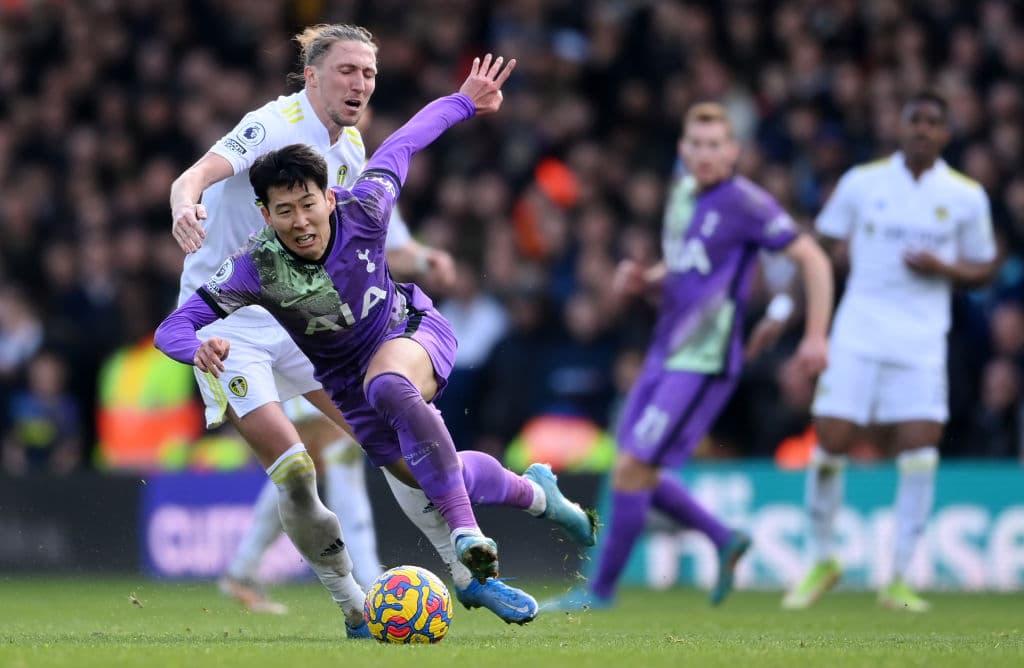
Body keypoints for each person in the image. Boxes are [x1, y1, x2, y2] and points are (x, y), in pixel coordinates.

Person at [156, 54, 597, 625]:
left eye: (368, 72)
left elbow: (410, 140)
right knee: (312, 474)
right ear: (312, 74)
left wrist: (466, 100)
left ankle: (468, 566)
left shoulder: (359, 181)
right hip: (244, 327)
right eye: (347, 70)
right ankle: (357, 604)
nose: (301, 220)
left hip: (394, 332)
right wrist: (185, 216)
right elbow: (175, 313)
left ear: (330, 197)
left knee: (392, 396)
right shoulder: (270, 147)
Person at [545, 102, 833, 611]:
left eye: (715, 145)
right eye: (696, 145)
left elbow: (812, 258)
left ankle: (601, 594)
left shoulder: (747, 202)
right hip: (664, 349)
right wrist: (646, 279)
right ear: (683, 150)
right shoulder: (680, 195)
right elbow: (685, 265)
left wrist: (815, 336)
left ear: (733, 151)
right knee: (631, 469)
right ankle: (723, 537)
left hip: (703, 360)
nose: (704, 154)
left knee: (634, 467)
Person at [782, 92, 998, 613]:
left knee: (920, 448)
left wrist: (946, 269)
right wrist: (791, 312)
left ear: (946, 134)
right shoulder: (863, 182)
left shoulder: (965, 195)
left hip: (922, 339)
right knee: (829, 438)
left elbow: (985, 266)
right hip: (858, 331)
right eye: (914, 120)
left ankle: (899, 578)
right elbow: (819, 247)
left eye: (932, 123)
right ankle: (822, 559)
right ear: (898, 127)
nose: (922, 130)